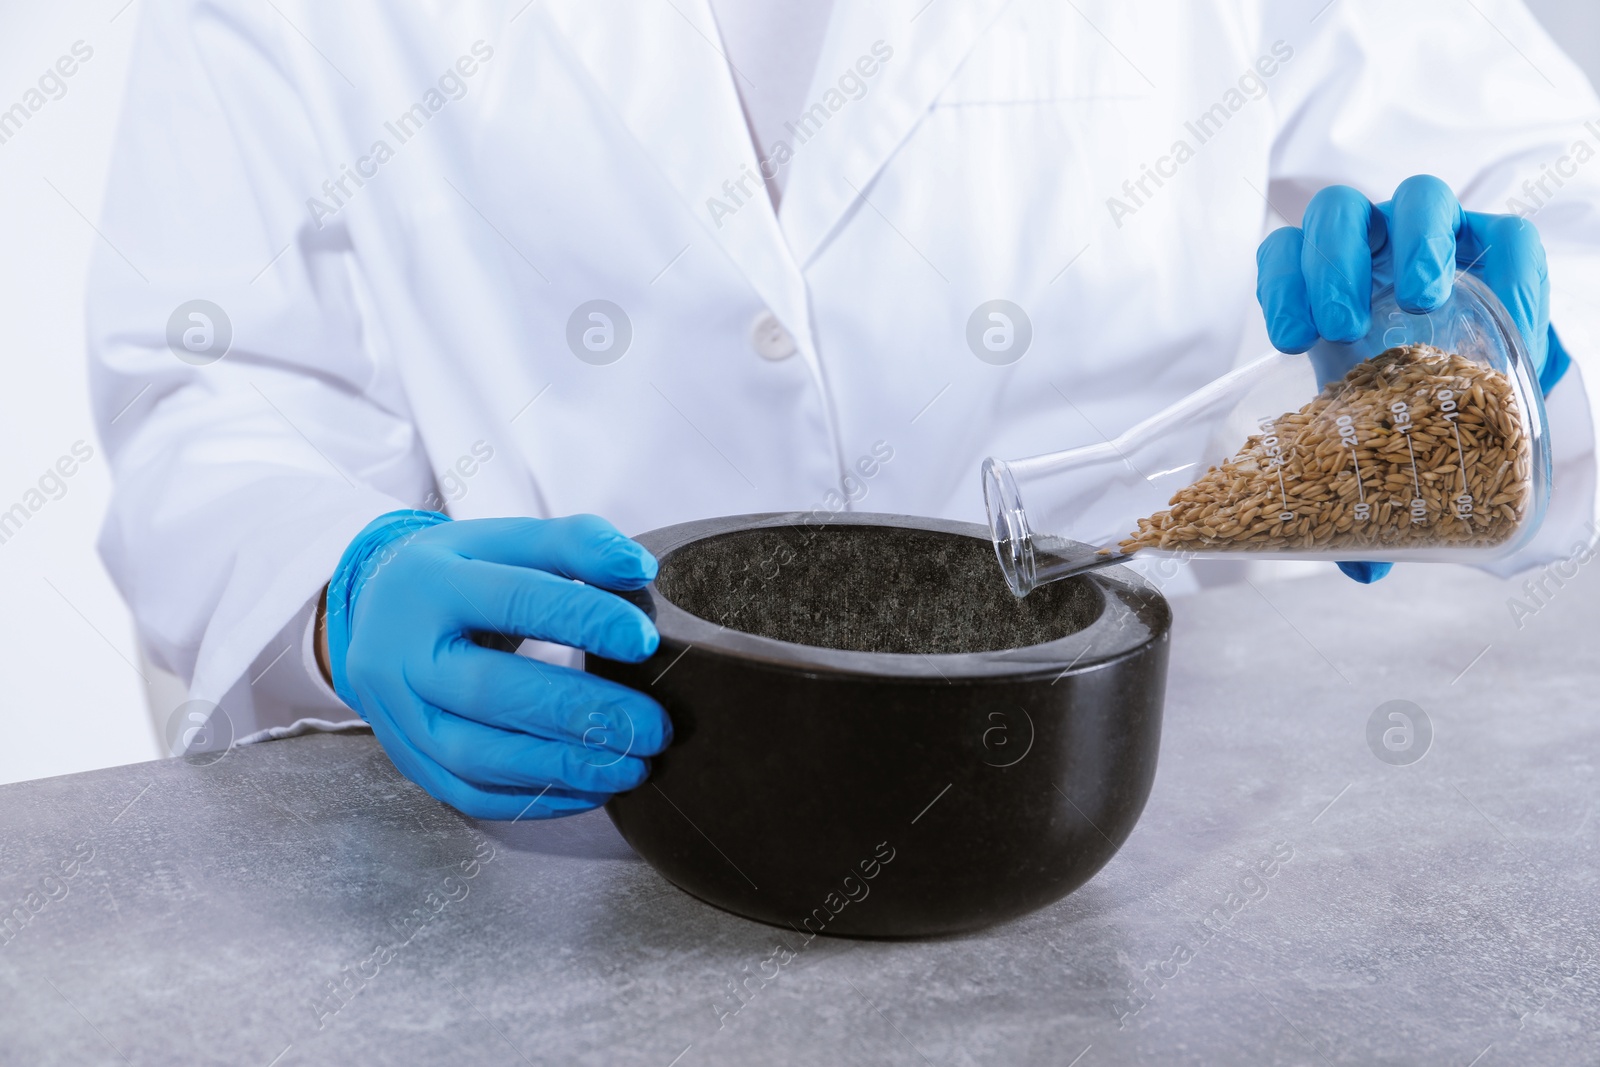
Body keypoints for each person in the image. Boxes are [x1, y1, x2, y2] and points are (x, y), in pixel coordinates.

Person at [89, 0, 1600, 818]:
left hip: (1128, 811)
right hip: (591, 827)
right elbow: (211, 384)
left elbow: (1556, 203)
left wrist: (1476, 339)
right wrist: (341, 593)